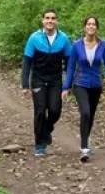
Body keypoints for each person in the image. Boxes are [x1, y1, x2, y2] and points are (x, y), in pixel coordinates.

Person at [62, 15, 105, 162]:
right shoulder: (77, 45)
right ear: (84, 27)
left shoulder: (103, 45)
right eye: (88, 24)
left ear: (97, 28)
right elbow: (70, 66)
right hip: (80, 84)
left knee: (91, 116)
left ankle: (86, 141)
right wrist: (66, 87)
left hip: (96, 86)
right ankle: (84, 148)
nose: (91, 26)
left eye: (93, 24)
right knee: (85, 113)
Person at [21, 9, 72, 157]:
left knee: (55, 110)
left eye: (53, 18)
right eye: (47, 18)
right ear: (42, 20)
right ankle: (40, 144)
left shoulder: (63, 39)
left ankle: (47, 130)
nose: (50, 21)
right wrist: (25, 84)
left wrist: (68, 84)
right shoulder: (34, 38)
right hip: (38, 79)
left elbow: (69, 63)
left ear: (56, 21)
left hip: (55, 80)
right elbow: (27, 63)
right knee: (40, 111)